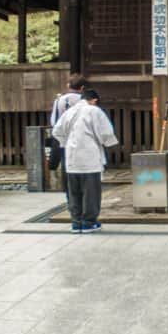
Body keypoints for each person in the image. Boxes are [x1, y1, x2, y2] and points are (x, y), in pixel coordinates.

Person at [51, 88, 118, 233]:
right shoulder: (94, 111)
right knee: (91, 192)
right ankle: (89, 222)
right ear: (94, 100)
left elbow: (56, 131)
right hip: (89, 157)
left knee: (74, 192)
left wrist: (65, 142)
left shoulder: (69, 112)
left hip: (71, 157)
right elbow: (106, 133)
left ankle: (76, 222)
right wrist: (106, 143)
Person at [49, 73, 88, 198]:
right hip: (83, 137)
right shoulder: (86, 100)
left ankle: (70, 194)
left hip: (65, 137)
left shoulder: (60, 100)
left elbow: (54, 121)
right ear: (82, 88)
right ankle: (84, 191)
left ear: (68, 85)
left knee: (67, 164)